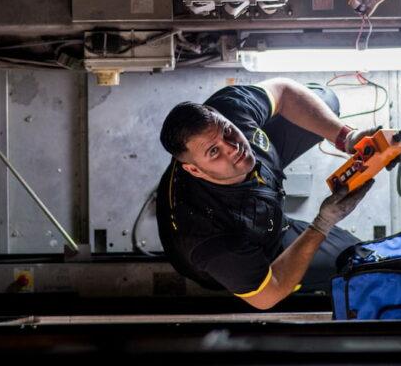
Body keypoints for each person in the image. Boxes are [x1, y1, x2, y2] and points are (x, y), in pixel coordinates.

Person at [156, 77, 378, 310]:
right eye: (214, 151)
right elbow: (267, 296)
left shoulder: (226, 110)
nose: (234, 148)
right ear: (193, 169)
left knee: (324, 100)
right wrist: (322, 224)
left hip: (261, 180)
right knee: (357, 261)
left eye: (228, 131)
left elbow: (284, 91)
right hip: (258, 245)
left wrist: (347, 137)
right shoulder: (207, 238)